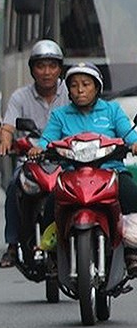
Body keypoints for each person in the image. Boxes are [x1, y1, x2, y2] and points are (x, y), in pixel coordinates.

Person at [28, 62, 137, 275]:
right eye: (74, 85)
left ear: (97, 88)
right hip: (72, 174)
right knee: (51, 201)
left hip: (110, 172)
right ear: (68, 90)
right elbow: (47, 140)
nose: (80, 90)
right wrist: (38, 149)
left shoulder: (112, 110)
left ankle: (131, 249)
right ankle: (51, 252)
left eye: (86, 84)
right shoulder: (60, 115)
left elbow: (129, 135)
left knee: (132, 194)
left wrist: (134, 143)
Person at [0, 39, 69, 268]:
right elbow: (8, 126)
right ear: (32, 69)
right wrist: (5, 142)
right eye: (41, 66)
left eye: (52, 66)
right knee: (13, 185)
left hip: (66, 159)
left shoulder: (71, 91)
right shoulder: (20, 96)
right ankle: (12, 244)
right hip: (30, 159)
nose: (47, 72)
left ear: (60, 68)